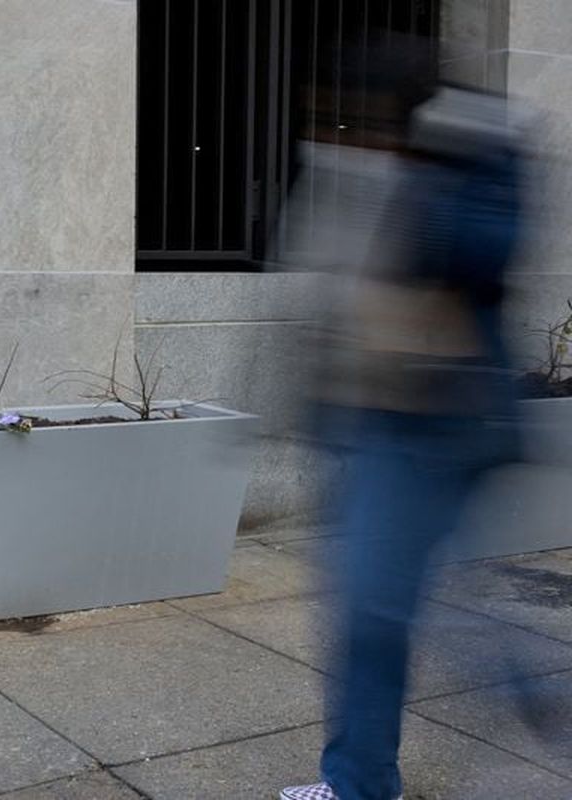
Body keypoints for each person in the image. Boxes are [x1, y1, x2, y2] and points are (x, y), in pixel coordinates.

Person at [278, 58, 532, 800]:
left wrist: (436, 165)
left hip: (436, 426)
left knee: (386, 609)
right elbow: (333, 300)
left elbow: (485, 261)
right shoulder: (363, 176)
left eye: (350, 117)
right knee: (380, 609)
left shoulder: (475, 168)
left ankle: (363, 780)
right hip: (368, 423)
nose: (336, 133)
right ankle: (359, 778)